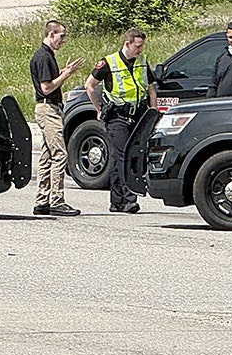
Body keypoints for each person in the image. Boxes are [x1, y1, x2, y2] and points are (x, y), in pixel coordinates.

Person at [86, 28, 157, 214]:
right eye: (137, 46)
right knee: (125, 155)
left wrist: (153, 112)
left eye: (142, 46)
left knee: (123, 157)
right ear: (127, 43)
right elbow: (90, 86)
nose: (140, 50)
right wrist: (99, 109)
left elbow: (151, 89)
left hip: (138, 115)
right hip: (117, 116)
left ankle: (116, 201)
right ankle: (129, 199)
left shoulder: (142, 62)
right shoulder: (109, 62)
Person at [30, 20, 86, 217]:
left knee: (47, 155)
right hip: (48, 109)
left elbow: (49, 82)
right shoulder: (43, 56)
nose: (63, 40)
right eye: (61, 36)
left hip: (48, 108)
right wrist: (66, 75)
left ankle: (42, 200)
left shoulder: (47, 55)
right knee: (60, 154)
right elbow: (46, 88)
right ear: (51, 34)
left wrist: (62, 72)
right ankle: (56, 200)